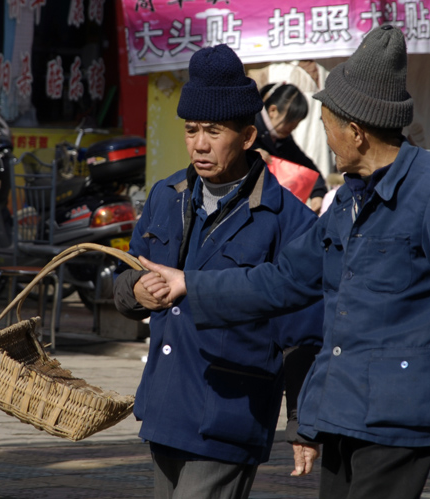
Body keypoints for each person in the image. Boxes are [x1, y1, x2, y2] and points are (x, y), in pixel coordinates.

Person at [137, 26, 430, 499]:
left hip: (400, 413)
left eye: (325, 124)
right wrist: (190, 286)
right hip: (343, 408)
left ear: (356, 132)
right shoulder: (348, 202)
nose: (323, 135)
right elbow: (283, 281)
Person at [112, 44, 323, 499]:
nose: (199, 144)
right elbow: (124, 281)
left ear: (248, 137)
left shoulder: (289, 219)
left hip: (229, 414)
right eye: (191, 130)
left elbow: (304, 333)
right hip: (164, 407)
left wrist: (302, 422)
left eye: (213, 131)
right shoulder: (166, 197)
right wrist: (136, 293)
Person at [253, 82, 328, 212]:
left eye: (297, 123)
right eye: (290, 121)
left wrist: (317, 193)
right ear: (273, 111)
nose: (293, 128)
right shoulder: (249, 125)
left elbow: (306, 166)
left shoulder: (283, 139)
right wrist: (249, 154)